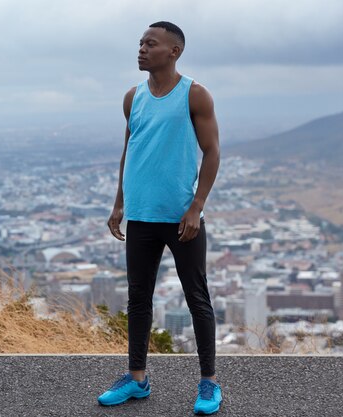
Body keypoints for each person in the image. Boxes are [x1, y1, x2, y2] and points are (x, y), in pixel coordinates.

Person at [97, 21, 222, 415]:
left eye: (150, 44)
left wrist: (197, 206)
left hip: (181, 217)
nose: (141, 49)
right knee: (139, 298)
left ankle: (209, 383)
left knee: (196, 297)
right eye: (140, 43)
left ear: (174, 51)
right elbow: (128, 151)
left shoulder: (194, 95)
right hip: (142, 216)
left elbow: (213, 152)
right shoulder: (132, 98)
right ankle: (137, 379)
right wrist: (119, 204)